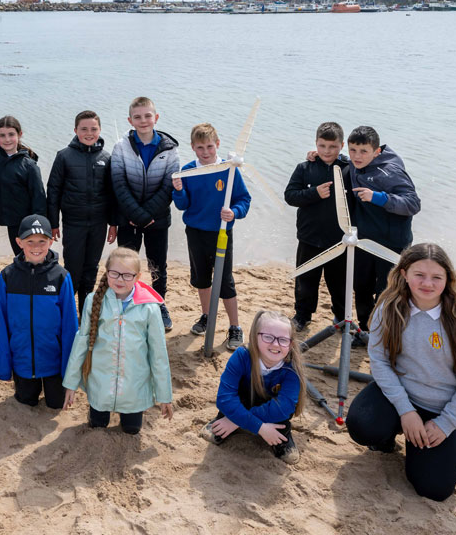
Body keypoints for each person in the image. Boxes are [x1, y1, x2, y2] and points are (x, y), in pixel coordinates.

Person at [346, 243, 456, 501]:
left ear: (448, 279)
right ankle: (391, 435)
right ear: (403, 274)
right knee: (362, 424)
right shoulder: (388, 309)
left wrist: (446, 424)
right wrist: (405, 411)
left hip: (441, 409)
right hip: (401, 399)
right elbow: (379, 362)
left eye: (437, 277)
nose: (428, 284)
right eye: (419, 275)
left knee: (434, 490)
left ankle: (419, 445)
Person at [62, 248, 173, 434]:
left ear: (138, 277)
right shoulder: (93, 300)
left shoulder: (149, 309)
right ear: (106, 272)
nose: (120, 279)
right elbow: (81, 342)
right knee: (97, 425)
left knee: (131, 429)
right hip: (100, 384)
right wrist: (71, 384)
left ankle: (129, 415)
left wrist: (164, 396)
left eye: (127, 275)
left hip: (134, 388)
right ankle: (97, 413)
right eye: (115, 273)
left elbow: (158, 353)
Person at [172, 123, 251, 350]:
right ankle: (206, 316)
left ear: (217, 144)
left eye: (209, 146)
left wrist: (233, 212)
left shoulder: (229, 170)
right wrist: (179, 190)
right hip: (196, 232)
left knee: (225, 281)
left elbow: (244, 200)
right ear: (193, 148)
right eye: (200, 148)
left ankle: (235, 326)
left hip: (221, 232)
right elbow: (182, 205)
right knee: (201, 278)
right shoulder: (188, 170)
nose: (205, 152)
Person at [0, 214, 79, 409]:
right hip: (22, 361)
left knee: (56, 404)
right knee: (26, 401)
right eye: (29, 241)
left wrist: (69, 374)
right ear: (19, 242)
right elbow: (1, 324)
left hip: (53, 363)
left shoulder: (61, 277)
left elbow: (70, 328)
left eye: (42, 241)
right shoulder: (8, 276)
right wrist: (4, 369)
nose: (36, 247)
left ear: (50, 241)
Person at [199, 310, 305, 465]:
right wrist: (260, 427)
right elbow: (225, 398)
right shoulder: (242, 356)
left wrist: (236, 422)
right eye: (268, 337)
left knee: (280, 415)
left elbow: (283, 408)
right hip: (243, 403)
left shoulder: (291, 369)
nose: (275, 344)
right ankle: (226, 418)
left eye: (283, 340)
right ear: (255, 337)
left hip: (273, 416)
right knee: (232, 404)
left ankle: (282, 433)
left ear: (291, 344)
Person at [346, 126, 421, 344]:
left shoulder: (390, 172)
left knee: (386, 292)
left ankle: (384, 335)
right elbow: (343, 159)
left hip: (391, 243)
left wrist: (378, 197)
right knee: (361, 286)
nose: (357, 157)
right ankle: (365, 331)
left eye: (363, 151)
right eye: (353, 150)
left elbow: (413, 203)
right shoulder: (354, 161)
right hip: (364, 241)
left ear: (376, 151)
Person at [110, 96, 180, 330]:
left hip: (157, 220)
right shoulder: (121, 147)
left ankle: (159, 304)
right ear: (130, 120)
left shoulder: (170, 149)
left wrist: (147, 214)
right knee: (125, 264)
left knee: (157, 265)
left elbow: (169, 185)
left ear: (156, 118)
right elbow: (118, 183)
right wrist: (136, 214)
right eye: (137, 117)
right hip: (128, 218)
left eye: (147, 116)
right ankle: (125, 303)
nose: (143, 121)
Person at [46, 110, 118, 312]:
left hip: (98, 223)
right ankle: (67, 311)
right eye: (84, 129)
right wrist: (53, 223)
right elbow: (53, 191)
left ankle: (85, 313)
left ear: (100, 130)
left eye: (93, 129)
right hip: (73, 223)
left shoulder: (106, 157)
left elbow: (112, 194)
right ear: (75, 130)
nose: (89, 133)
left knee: (91, 269)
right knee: (73, 270)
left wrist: (113, 224)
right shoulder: (64, 156)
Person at [284, 121, 349, 333]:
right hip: (309, 236)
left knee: (338, 283)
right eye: (322, 146)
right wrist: (314, 193)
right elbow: (290, 196)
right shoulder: (305, 168)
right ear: (315, 144)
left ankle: (340, 316)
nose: (326, 151)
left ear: (341, 145)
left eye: (332, 147)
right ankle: (303, 315)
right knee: (306, 280)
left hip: (339, 240)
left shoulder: (348, 170)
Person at [0, 115, 47, 256]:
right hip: (10, 221)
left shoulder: (29, 165)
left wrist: (40, 227)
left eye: (11, 134)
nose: (7, 139)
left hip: (28, 222)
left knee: (32, 257)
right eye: (2, 135)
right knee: (20, 257)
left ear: (19, 134)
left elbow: (39, 198)